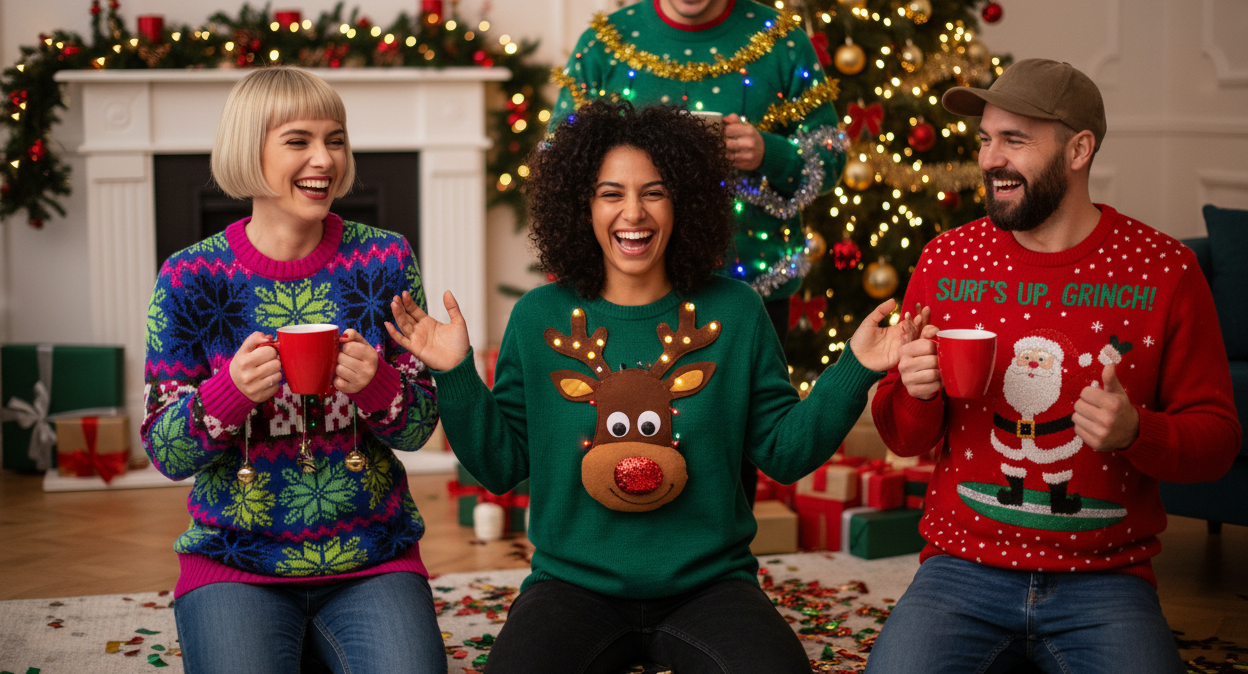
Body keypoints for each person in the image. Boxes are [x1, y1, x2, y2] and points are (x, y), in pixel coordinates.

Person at [386, 100, 925, 674]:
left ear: (684, 202)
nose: (633, 213)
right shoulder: (538, 316)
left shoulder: (737, 311)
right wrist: (454, 372)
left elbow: (785, 453)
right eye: (610, 193)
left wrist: (855, 370)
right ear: (582, 205)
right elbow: (498, 466)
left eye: (655, 191)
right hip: (571, 586)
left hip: (711, 586)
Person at [865, 58, 1242, 673]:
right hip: (962, 570)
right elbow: (903, 436)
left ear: (1079, 149)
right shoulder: (947, 258)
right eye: (986, 139)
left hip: (1106, 581)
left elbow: (1220, 442)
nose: (990, 159)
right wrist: (915, 390)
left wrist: (1135, 431)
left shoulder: (1164, 270)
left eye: (1015, 141)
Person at [141, 67, 446, 674]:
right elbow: (165, 454)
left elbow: (418, 429)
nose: (324, 159)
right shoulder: (189, 277)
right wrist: (228, 395)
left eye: (335, 139)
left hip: (372, 554)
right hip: (234, 559)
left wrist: (378, 386)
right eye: (298, 140)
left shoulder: (386, 258)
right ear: (248, 151)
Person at [551, 0, 845, 342]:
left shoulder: (783, 41)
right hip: (626, 296)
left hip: (752, 290)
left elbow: (829, 157)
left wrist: (768, 152)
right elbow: (557, 159)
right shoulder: (604, 44)